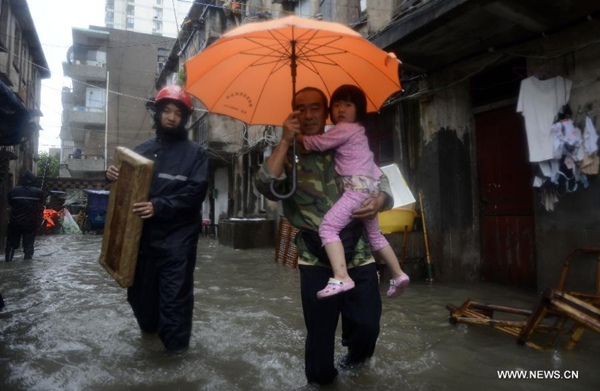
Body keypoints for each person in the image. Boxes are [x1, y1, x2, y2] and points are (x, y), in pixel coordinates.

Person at [254, 86, 394, 385]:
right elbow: (265, 185)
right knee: (318, 354)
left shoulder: (344, 140)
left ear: (326, 110)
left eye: (315, 107)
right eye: (300, 108)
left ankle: (353, 369)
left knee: (367, 328)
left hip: (357, 251)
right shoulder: (289, 154)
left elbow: (382, 181)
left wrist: (379, 202)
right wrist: (284, 142)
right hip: (315, 257)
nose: (307, 115)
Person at [106, 85, 208, 353]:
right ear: (158, 113)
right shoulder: (140, 151)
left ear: (185, 119)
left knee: (174, 304)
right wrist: (114, 178)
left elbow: (194, 194)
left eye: (178, 113)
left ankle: (176, 364)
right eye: (167, 111)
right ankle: (150, 340)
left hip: (178, 243)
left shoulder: (196, 154)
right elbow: (125, 197)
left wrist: (159, 206)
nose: (171, 117)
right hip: (141, 242)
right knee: (140, 300)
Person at [297, 85, 410, 299]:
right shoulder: (359, 135)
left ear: (358, 110)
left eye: (348, 105)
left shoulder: (344, 130)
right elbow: (373, 169)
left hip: (356, 190)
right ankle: (398, 274)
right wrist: (376, 194)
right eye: (337, 105)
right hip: (368, 188)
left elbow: (318, 143)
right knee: (376, 236)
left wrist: (296, 137)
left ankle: (341, 276)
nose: (341, 109)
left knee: (328, 228)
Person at [5, 170, 43, 262]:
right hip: (30, 223)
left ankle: (8, 261)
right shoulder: (38, 192)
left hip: (15, 222)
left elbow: (10, 202)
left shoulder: (14, 190)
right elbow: (41, 203)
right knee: (29, 245)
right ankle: (27, 264)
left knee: (11, 243)